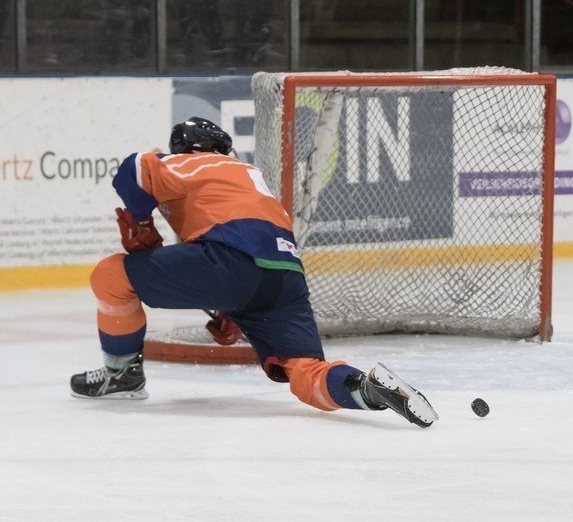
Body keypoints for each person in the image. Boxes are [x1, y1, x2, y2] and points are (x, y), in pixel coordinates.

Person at [69, 117, 438, 428]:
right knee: (306, 372)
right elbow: (250, 244)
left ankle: (122, 376)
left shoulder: (193, 163)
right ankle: (365, 388)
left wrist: (139, 220)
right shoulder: (249, 175)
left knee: (110, 276)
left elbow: (133, 168)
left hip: (228, 262)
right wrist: (231, 306)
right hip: (285, 279)